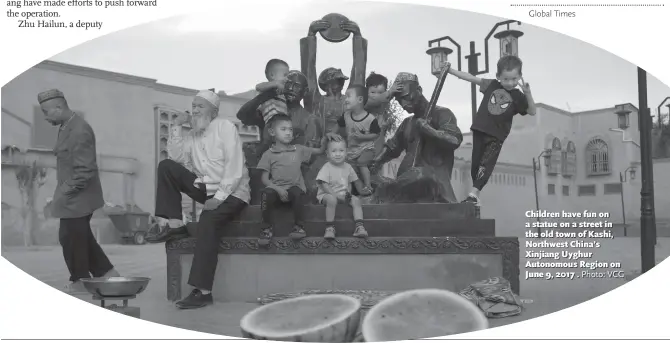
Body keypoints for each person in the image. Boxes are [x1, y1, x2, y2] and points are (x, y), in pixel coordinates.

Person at [147, 90, 251, 310]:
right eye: (193, 106)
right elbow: (176, 158)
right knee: (166, 167)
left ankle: (203, 292)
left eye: (200, 106)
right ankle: (175, 225)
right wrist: (176, 126)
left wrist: (220, 197)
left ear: (213, 111)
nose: (195, 110)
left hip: (233, 192)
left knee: (208, 219)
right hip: (206, 187)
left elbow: (235, 168)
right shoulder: (193, 134)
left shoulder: (225, 128)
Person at [38, 89, 120, 294]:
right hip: (73, 196)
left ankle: (80, 280)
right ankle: (107, 273)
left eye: (47, 112)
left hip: (79, 197)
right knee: (80, 236)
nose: (45, 117)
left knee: (70, 238)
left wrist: (62, 194)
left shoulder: (79, 130)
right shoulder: (66, 127)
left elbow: (85, 170)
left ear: (59, 107)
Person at [447, 57, 536, 206]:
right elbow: (470, 78)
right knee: (476, 165)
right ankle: (475, 196)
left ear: (520, 76)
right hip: (480, 130)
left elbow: (532, 111)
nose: (510, 83)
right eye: (506, 79)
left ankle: (474, 193)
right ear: (498, 77)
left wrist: (527, 93)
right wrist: (450, 70)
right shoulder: (492, 85)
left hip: (497, 136)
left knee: (486, 164)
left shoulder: (518, 97)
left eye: (514, 79)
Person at [371, 72, 463, 203]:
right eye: (399, 101)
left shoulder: (442, 114)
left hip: (433, 185)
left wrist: (430, 131)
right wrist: (377, 161)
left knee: (420, 175)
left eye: (406, 97)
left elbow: (454, 140)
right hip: (406, 183)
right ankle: (391, 190)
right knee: (371, 178)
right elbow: (392, 147)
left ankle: (390, 189)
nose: (403, 104)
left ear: (419, 90)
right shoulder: (407, 123)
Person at [256, 114, 332, 246]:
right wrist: (278, 189)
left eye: (290, 129)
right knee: (265, 195)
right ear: (272, 132)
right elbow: (264, 179)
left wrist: (326, 139)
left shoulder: (299, 150)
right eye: (283, 129)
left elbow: (320, 150)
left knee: (297, 192)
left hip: (294, 190)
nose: (288, 133)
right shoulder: (268, 154)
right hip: (277, 190)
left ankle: (299, 227)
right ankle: (266, 229)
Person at [301, 19, 367, 137]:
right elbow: (309, 72)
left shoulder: (349, 101)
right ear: (327, 84)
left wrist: (358, 37)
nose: (341, 83)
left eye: (341, 80)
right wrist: (311, 35)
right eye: (337, 81)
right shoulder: (317, 101)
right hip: (320, 149)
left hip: (345, 150)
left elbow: (358, 73)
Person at [316, 137, 371, 239]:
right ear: (327, 154)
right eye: (334, 151)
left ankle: (359, 227)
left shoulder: (348, 167)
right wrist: (336, 196)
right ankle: (329, 228)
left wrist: (356, 192)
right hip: (327, 194)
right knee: (332, 200)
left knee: (356, 200)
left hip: (343, 195)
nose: (338, 154)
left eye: (341, 150)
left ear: (346, 152)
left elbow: (352, 182)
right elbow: (324, 185)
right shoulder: (327, 167)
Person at [337, 84, 380, 192]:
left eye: (348, 96)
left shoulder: (370, 119)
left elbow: (376, 134)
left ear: (360, 99)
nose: (345, 99)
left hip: (367, 149)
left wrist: (362, 137)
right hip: (352, 151)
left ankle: (368, 185)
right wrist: (332, 133)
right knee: (346, 168)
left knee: (361, 162)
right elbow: (338, 125)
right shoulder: (346, 115)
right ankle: (348, 190)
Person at [364, 72, 400, 154]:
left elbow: (387, 98)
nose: (376, 95)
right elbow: (377, 100)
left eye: (380, 93)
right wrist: (389, 92)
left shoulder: (382, 104)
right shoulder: (365, 103)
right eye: (373, 92)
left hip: (378, 143)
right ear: (366, 92)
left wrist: (395, 88)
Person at [254, 59, 290, 126]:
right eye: (285, 75)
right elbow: (258, 87)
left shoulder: (282, 94)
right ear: (272, 75)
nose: (287, 79)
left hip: (283, 123)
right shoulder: (267, 88)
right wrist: (276, 84)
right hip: (271, 123)